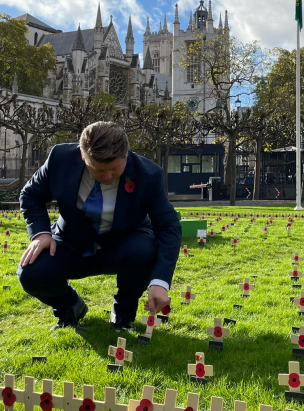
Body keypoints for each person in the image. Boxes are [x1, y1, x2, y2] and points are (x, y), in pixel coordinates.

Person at [17, 121, 182, 332]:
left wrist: (160, 282)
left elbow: (168, 226)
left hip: (125, 245)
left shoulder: (149, 175)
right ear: (83, 156)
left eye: (115, 169)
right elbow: (31, 194)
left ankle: (122, 315)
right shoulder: (60, 158)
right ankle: (69, 307)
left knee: (144, 250)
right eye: (98, 169)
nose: (107, 177)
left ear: (126, 155)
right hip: (70, 241)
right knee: (30, 272)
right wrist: (41, 234)